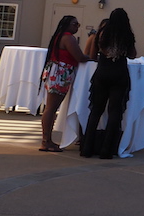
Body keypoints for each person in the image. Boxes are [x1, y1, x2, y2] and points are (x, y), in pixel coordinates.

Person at [80, 8, 137, 159]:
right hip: (119, 73)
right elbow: (132, 55)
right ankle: (107, 149)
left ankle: (87, 148)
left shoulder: (102, 33)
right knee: (115, 111)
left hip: (102, 72)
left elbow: (92, 55)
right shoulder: (127, 34)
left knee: (96, 110)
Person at [39, 15, 91, 152]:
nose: (77, 26)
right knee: (51, 107)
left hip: (55, 71)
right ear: (67, 24)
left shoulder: (59, 36)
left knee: (50, 107)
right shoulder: (68, 37)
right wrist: (91, 57)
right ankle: (46, 141)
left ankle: (47, 140)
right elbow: (79, 56)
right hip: (61, 73)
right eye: (75, 24)